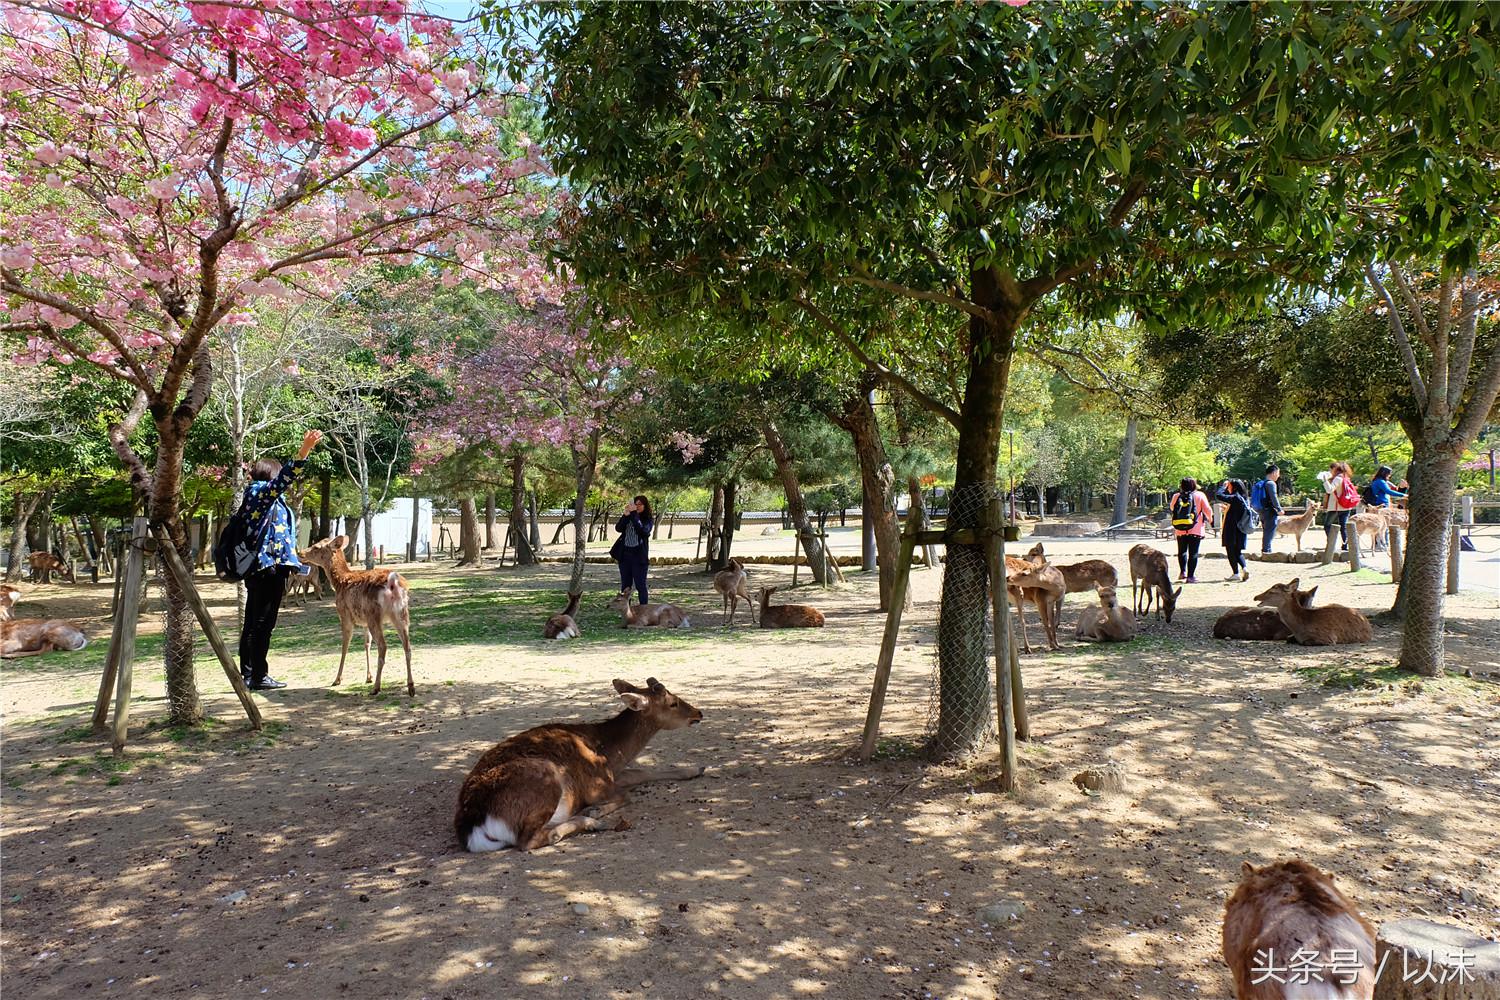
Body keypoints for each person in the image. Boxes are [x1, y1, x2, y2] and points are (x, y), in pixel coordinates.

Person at [236, 429, 323, 691]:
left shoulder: (259, 497)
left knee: (253, 621)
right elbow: (283, 480)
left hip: (263, 567)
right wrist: (304, 451)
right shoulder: (262, 492)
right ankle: (258, 675)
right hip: (267, 568)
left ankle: (250, 672)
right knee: (262, 623)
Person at [1168, 477, 1214, 583]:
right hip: (1196, 528)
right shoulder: (1199, 495)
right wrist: (1210, 520)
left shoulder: (1176, 496)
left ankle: (1182, 572)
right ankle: (1190, 576)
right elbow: (1208, 510)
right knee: (1193, 553)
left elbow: (1172, 508)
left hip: (1180, 527)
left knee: (1182, 551)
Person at [610, 494, 654, 605]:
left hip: (639, 556)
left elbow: (643, 531)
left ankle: (644, 610)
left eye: (640, 504)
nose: (637, 506)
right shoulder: (629, 516)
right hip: (625, 555)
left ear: (645, 506)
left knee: (640, 585)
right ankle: (626, 611)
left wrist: (634, 514)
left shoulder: (648, 519)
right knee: (625, 586)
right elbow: (618, 528)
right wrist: (625, 516)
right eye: (635, 504)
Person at [1216, 479, 1252, 581]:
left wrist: (1223, 486)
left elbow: (1219, 495)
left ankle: (1236, 573)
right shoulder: (1244, 498)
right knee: (1238, 551)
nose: (1228, 488)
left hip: (1231, 529)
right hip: (1241, 529)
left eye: (1229, 486)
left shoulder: (1236, 498)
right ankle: (1244, 569)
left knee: (1230, 551)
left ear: (1233, 487)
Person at [1320, 460, 1357, 551]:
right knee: (1344, 527)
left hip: (1336, 507)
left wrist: (1325, 480)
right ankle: (1345, 546)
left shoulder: (1338, 478)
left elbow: (1329, 490)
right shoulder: (1346, 478)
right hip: (1346, 506)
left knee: (1327, 525)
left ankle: (1331, 544)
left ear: (1336, 469)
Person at [1253, 464, 1284, 553]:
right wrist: (1279, 509)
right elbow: (1274, 497)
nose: (1278, 475)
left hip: (1261, 510)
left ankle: (1265, 549)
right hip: (1269, 510)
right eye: (1278, 473)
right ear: (1274, 473)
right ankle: (1267, 550)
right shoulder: (1271, 483)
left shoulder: (1261, 483)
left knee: (1266, 530)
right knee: (1270, 530)